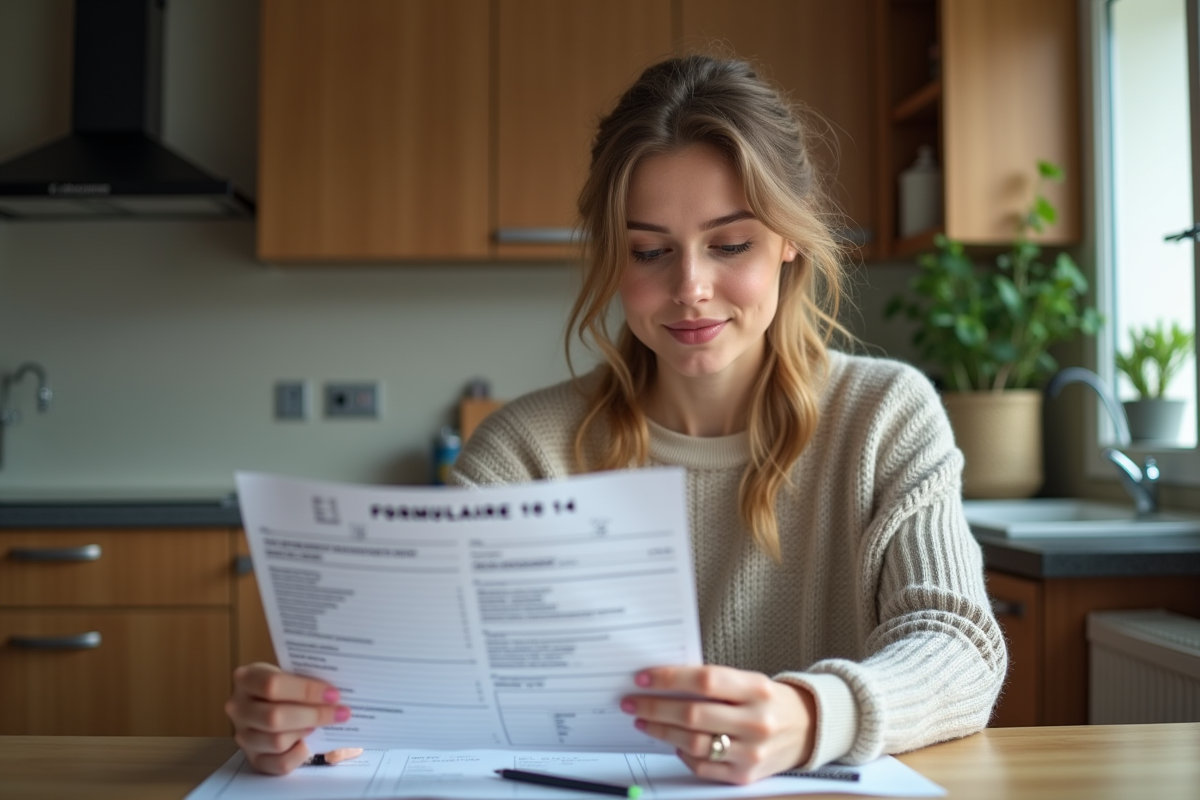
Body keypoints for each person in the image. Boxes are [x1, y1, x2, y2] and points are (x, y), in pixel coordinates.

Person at [226, 54, 1007, 784]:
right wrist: (318, 717)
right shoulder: (521, 452)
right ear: (611, 258)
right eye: (649, 252)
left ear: (790, 243)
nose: (691, 287)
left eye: (730, 244)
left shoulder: (885, 416)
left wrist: (809, 716)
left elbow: (959, 648)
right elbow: (412, 677)